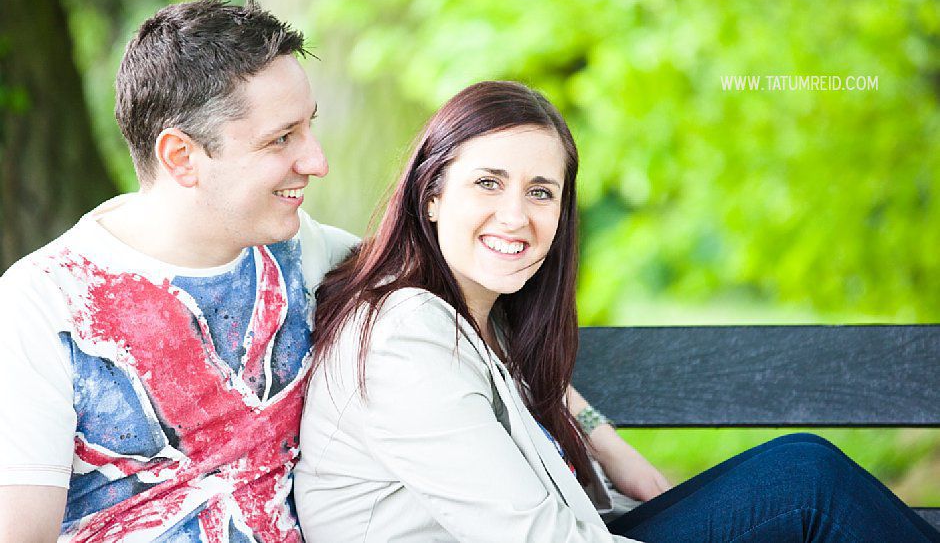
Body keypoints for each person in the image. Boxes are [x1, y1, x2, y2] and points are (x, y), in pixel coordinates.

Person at [294, 80, 940, 542]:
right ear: (431, 195)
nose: (515, 216)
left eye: (540, 192)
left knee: (800, 468)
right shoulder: (403, 336)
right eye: (487, 182)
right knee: (805, 481)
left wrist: (611, 444)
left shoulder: (465, 315)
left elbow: (524, 378)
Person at [0, 0, 356, 541]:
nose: (317, 162)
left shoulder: (306, 253)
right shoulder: (45, 302)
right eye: (281, 138)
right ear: (181, 157)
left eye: (308, 128)